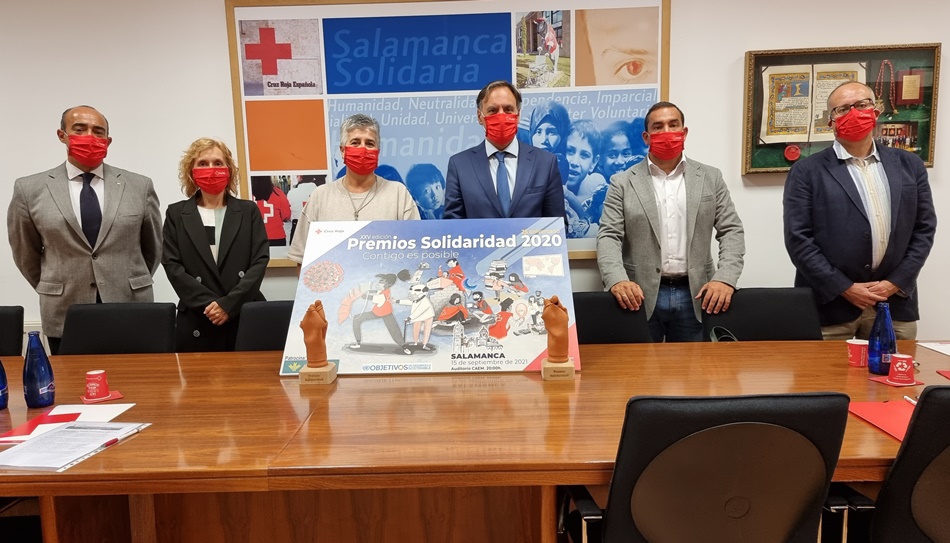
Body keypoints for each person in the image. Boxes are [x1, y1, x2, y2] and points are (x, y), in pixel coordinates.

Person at [784, 81, 936, 340]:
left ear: (875, 111)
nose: (854, 113)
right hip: (830, 306)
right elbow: (798, 239)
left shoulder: (909, 164)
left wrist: (895, 283)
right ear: (831, 122)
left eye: (862, 105)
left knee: (895, 367)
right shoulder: (807, 171)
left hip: (895, 303)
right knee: (824, 368)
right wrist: (844, 287)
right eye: (843, 109)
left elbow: (924, 229)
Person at [7, 105, 162, 354]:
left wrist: (129, 278)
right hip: (65, 310)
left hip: (130, 306)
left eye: (98, 131)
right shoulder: (29, 189)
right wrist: (54, 284)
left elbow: (153, 248)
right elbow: (25, 253)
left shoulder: (139, 186)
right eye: (79, 129)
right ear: (62, 135)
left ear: (108, 140)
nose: (90, 136)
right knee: (72, 378)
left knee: (134, 377)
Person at [597, 101, 745, 342]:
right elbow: (608, 236)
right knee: (639, 365)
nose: (667, 132)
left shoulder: (710, 177)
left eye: (673, 125)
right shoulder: (622, 182)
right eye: (658, 127)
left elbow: (731, 230)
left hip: (697, 294)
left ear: (684, 132)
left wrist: (725, 278)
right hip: (639, 296)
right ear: (646, 137)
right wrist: (617, 279)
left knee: (693, 366)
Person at [161, 138, 269, 352]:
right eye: (203, 163)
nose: (211, 169)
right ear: (191, 171)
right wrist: (213, 306)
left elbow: (259, 261)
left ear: (229, 169)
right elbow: (172, 266)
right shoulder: (176, 213)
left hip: (243, 313)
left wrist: (228, 305)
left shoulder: (248, 211)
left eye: (218, 163)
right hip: (198, 317)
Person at [288, 114, 419, 266]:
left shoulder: (398, 194)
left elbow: (416, 251)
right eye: (355, 143)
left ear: (378, 151)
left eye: (369, 143)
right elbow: (302, 260)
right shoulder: (321, 196)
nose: (362, 149)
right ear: (342, 151)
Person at [443, 81, 565, 220]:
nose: (501, 116)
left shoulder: (545, 163)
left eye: (508, 109)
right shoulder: (460, 165)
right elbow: (453, 226)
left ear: (518, 115)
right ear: (479, 117)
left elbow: (557, 225)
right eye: (492, 110)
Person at [251, 176, 291, 246]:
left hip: (255, 238)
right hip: (277, 237)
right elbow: (287, 215)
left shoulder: (247, 193)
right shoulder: (278, 193)